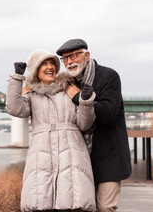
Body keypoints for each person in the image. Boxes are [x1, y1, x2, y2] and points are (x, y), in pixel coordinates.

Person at [6, 49, 97, 212]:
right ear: (35, 69)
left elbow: (84, 124)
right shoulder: (30, 94)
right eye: (44, 63)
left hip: (72, 154)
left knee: (74, 201)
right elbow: (15, 109)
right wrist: (17, 79)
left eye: (52, 63)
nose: (50, 67)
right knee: (40, 201)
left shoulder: (69, 89)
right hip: (41, 156)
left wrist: (85, 103)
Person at [56, 39, 132, 212]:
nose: (69, 62)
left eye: (73, 56)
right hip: (80, 160)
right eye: (65, 59)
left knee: (105, 207)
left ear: (87, 55)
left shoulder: (108, 76)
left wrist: (79, 98)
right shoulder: (67, 83)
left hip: (109, 159)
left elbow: (109, 115)